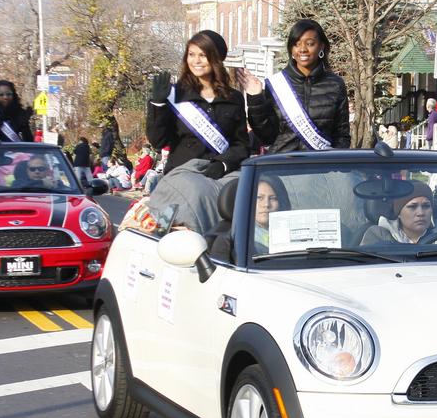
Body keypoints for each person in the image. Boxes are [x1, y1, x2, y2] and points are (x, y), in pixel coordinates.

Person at [239, 18, 351, 153]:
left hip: (321, 168)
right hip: (283, 167)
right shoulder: (276, 84)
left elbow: (342, 135)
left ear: (321, 46)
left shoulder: (335, 85)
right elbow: (266, 136)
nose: (303, 49)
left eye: (310, 43)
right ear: (291, 49)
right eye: (297, 44)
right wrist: (256, 98)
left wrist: (333, 165)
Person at [147, 30, 248, 177]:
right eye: (191, 54)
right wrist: (158, 104)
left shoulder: (233, 98)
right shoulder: (175, 95)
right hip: (182, 178)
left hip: (219, 178)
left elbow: (241, 145)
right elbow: (158, 141)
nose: (196, 61)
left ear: (217, 59)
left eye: (202, 55)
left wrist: (223, 163)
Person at [361, 181, 434, 244]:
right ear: (398, 213)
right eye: (412, 207)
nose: (420, 213)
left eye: (426, 206)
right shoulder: (377, 236)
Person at [253, 175, 290, 253]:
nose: (266, 204)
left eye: (273, 198)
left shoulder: (293, 230)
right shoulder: (243, 237)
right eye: (259, 198)